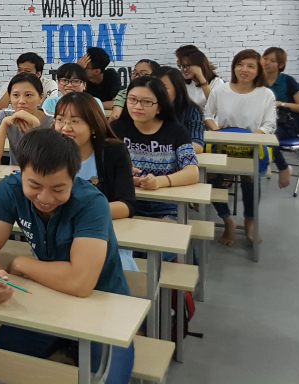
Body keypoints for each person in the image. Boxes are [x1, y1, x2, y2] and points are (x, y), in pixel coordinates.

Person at [0, 129, 134, 384]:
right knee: (1, 366)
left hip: (104, 303)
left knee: (109, 380)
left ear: (74, 177)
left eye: (58, 188)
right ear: (21, 172)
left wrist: (21, 264)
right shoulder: (10, 189)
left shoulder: (92, 203)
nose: (45, 198)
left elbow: (80, 283)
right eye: (34, 186)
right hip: (45, 297)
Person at [54, 92, 138, 272]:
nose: (65, 127)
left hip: (104, 234)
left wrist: (78, 214)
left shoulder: (114, 152)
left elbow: (127, 205)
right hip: (59, 235)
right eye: (60, 119)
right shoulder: (48, 153)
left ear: (93, 126)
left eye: (75, 121)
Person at [204, 49, 276, 245]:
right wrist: (219, 133)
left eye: (250, 66)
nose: (244, 69)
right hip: (222, 144)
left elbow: (269, 125)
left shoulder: (265, 94)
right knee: (210, 175)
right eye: (239, 64)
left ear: (258, 70)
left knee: (250, 176)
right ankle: (227, 220)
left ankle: (250, 221)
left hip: (251, 146)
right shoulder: (220, 90)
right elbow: (208, 115)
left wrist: (248, 139)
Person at [110, 77, 199, 220]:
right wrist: (125, 177)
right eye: (132, 99)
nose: (137, 106)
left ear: (160, 106)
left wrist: (159, 181)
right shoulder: (115, 129)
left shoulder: (176, 131)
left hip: (166, 204)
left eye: (146, 102)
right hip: (125, 201)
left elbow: (192, 172)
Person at [261, 46, 299, 189]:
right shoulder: (257, 80)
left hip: (284, 124)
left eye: (272, 61)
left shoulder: (288, 81)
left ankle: (283, 167)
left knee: (267, 136)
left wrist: (280, 104)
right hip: (262, 121)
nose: (267, 63)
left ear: (280, 65)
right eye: (265, 58)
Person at [0, 73, 53, 166]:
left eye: (28, 95)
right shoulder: (3, 115)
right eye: (16, 95)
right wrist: (4, 123)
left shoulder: (54, 120)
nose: (21, 101)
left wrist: (36, 128)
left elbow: (51, 161)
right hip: (15, 172)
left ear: (40, 98)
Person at [0, 52, 59, 117]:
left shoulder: (48, 84)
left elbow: (51, 112)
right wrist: (12, 88)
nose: (21, 74)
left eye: (27, 71)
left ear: (38, 74)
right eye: (19, 70)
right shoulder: (9, 85)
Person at [154, 66, 205, 153]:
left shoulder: (191, 110)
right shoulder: (145, 109)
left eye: (164, 87)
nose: (157, 91)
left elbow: (198, 145)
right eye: (153, 87)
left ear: (177, 89)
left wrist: (162, 148)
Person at [174, 45, 224, 111]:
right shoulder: (184, 83)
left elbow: (215, 105)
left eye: (187, 66)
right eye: (182, 66)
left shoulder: (216, 82)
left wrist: (201, 77)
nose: (184, 70)